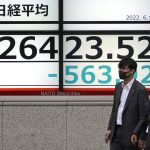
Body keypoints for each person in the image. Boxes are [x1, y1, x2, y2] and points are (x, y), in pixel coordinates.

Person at [104, 57, 149, 150]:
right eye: (120, 68)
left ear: (132, 71)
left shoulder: (140, 90)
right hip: (115, 132)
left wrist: (140, 135)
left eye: (124, 68)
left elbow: (144, 117)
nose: (121, 71)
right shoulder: (118, 87)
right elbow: (114, 110)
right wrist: (109, 128)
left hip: (131, 134)